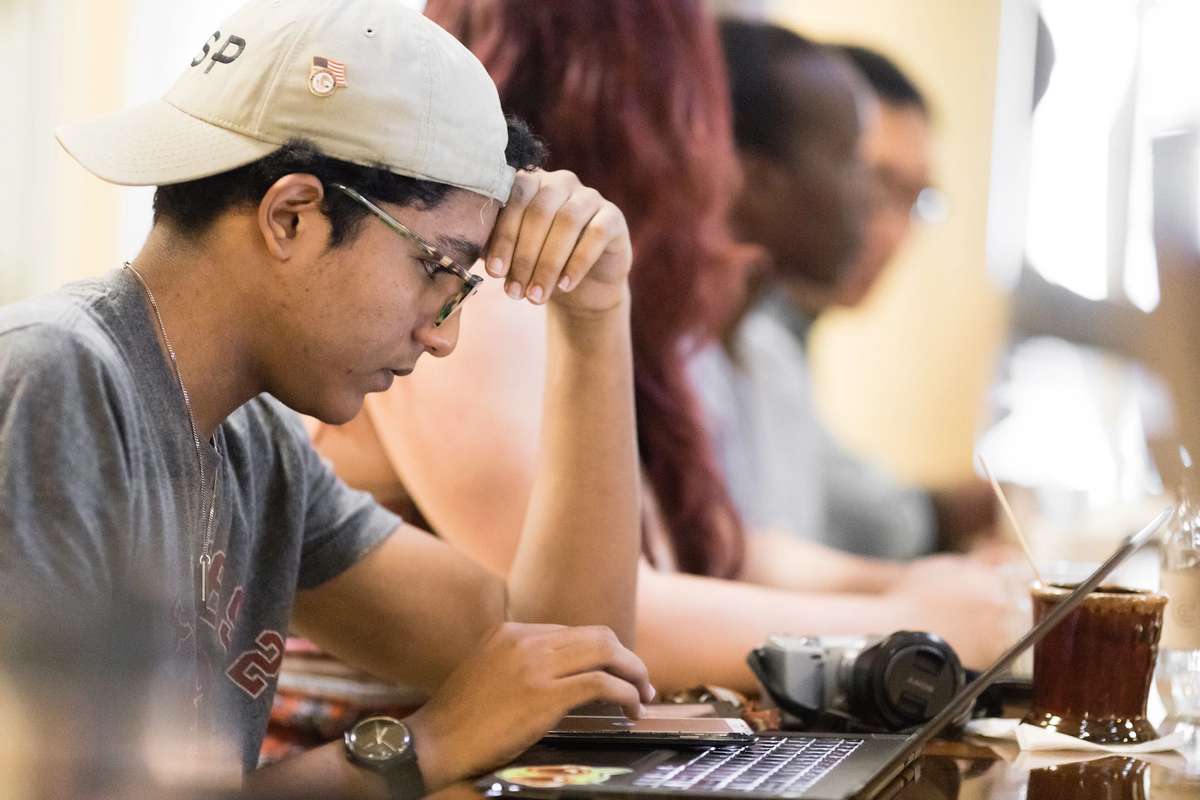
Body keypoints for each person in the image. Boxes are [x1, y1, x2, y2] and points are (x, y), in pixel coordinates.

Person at [0, 0, 656, 795]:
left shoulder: (256, 444)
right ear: (292, 217)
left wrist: (594, 317)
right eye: (437, 270)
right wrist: (419, 746)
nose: (443, 334)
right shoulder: (56, 379)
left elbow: (562, 665)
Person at [301, 0, 1022, 708]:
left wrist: (901, 588)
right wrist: (912, 622)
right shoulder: (478, 288)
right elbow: (585, 634)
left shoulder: (583, 287)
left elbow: (680, 544)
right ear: (641, 114)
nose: (713, 156)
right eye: (700, 111)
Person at [691, 24, 998, 562]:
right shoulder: (672, 357)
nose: (884, 219)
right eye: (863, 168)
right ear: (754, 177)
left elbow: (774, 558)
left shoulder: (769, 358)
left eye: (915, 198)